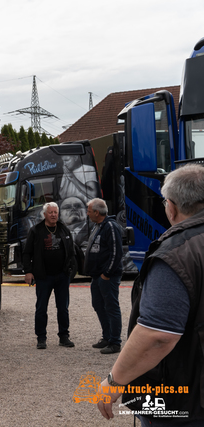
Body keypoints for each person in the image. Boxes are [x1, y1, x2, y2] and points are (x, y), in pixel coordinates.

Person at [97, 164, 204, 424]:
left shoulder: (176, 253)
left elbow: (158, 335)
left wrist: (115, 380)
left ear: (171, 206)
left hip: (185, 404)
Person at [22, 202, 77, 349]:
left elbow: (71, 251)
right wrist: (28, 271)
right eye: (51, 212)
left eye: (55, 212)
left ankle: (64, 337)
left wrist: (70, 269)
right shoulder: (36, 231)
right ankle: (41, 338)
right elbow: (27, 253)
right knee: (41, 308)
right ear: (45, 214)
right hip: (43, 276)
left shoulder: (64, 229)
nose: (53, 215)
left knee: (63, 308)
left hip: (62, 276)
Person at [85, 198, 123, 354]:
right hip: (97, 277)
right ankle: (107, 337)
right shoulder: (98, 226)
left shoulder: (111, 227)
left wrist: (106, 274)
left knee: (111, 307)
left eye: (88, 211)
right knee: (98, 305)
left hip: (107, 277)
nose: (87, 214)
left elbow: (116, 252)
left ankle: (115, 342)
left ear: (96, 212)